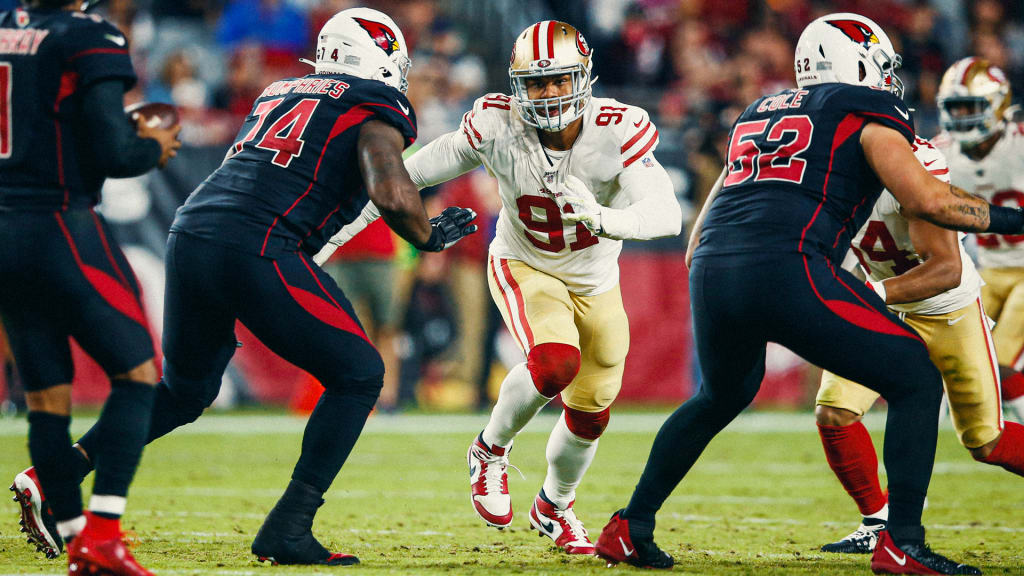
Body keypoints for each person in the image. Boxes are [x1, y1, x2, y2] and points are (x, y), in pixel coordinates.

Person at [12, 7, 477, 568]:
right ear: (383, 60)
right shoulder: (373, 102)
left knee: (183, 391)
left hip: (192, 233)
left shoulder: (281, 89)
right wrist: (425, 234)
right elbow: (391, 189)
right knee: (360, 373)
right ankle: (290, 525)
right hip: (258, 242)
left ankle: (56, 471)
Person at [594, 12, 1024, 574]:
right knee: (915, 376)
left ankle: (630, 526)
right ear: (861, 63)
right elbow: (932, 203)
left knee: (718, 396)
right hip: (787, 264)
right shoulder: (867, 110)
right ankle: (902, 542)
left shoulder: (757, 113)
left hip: (713, 267)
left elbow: (701, 232)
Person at [315, 20, 681, 555]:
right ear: (517, 87)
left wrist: (604, 219)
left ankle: (555, 506)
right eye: (537, 83)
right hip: (525, 263)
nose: (549, 93)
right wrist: (324, 241)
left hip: (598, 275)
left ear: (583, 77)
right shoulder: (495, 124)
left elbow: (666, 213)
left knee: (592, 409)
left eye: (559, 80)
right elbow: (402, 179)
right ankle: (490, 449)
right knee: (556, 362)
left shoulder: (618, 127)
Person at [1, 0, 181, 574]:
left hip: (4, 228)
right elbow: (114, 151)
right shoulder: (88, 33)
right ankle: (100, 535)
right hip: (59, 223)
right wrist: (156, 145)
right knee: (139, 375)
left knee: (46, 401)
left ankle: (77, 539)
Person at [815, 135, 1024, 555]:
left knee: (986, 441)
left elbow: (945, 268)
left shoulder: (912, 164)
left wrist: (869, 295)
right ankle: (878, 520)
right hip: (882, 306)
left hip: (945, 309)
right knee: (834, 412)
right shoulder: (826, 169)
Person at [935, 57, 1024, 422]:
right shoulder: (941, 153)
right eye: (955, 108)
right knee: (964, 355)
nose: (963, 117)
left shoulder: (1019, 145)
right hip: (988, 271)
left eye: (971, 107)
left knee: (998, 359)